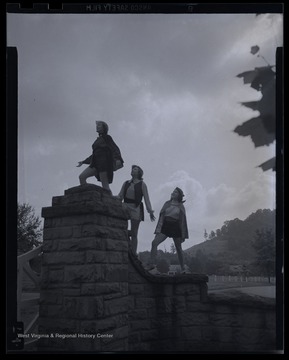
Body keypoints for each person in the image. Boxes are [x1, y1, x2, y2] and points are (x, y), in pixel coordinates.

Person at [147, 187, 189, 273]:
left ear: (179, 195)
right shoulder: (167, 203)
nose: (173, 193)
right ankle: (151, 264)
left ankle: (183, 268)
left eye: (176, 192)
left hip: (175, 227)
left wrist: (183, 235)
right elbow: (161, 218)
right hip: (165, 226)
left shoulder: (181, 206)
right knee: (154, 243)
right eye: (173, 191)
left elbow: (183, 222)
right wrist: (158, 230)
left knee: (178, 248)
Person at [117, 165, 156, 254]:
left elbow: (147, 199)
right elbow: (120, 196)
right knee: (120, 228)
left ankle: (133, 254)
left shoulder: (142, 184)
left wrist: (150, 211)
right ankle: (124, 248)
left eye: (135, 169)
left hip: (136, 208)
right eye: (132, 169)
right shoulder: (126, 183)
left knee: (134, 233)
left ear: (139, 173)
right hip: (125, 206)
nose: (132, 170)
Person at [77, 121, 124, 194]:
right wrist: (83, 161)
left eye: (99, 125)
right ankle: (87, 195)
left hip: (103, 164)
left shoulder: (107, 138)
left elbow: (114, 149)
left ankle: (111, 203)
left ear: (104, 128)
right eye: (97, 125)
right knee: (82, 177)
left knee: (105, 186)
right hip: (95, 163)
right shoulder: (98, 139)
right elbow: (95, 154)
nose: (97, 126)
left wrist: (118, 159)